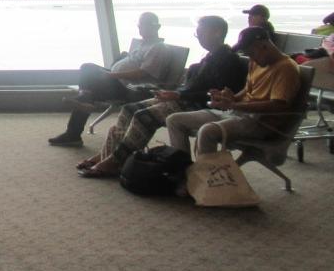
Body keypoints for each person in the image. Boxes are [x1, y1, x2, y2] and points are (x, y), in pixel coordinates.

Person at [75, 15, 246, 177]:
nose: (198, 37)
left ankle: (115, 161)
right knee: (129, 109)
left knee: (143, 117)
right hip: (183, 98)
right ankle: (107, 154)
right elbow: (193, 88)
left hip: (198, 105)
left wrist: (178, 95)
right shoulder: (210, 57)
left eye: (201, 32)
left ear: (217, 33)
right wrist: (175, 93)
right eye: (197, 33)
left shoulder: (227, 61)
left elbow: (215, 95)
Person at [164, 26, 301, 157]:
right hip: (238, 114)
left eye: (251, 53)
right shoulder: (256, 62)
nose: (251, 58)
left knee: (207, 132)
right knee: (174, 120)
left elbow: (278, 105)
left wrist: (234, 105)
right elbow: (248, 90)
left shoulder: (286, 68)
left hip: (260, 122)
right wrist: (231, 98)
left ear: (263, 45)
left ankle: (208, 172)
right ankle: (183, 167)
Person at [48, 11, 173, 147]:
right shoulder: (144, 44)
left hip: (127, 88)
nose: (140, 28)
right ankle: (85, 100)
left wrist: (112, 75)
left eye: (144, 25)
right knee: (87, 67)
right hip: (117, 80)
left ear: (156, 27)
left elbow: (141, 73)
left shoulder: (158, 48)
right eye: (139, 25)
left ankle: (76, 124)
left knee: (89, 75)